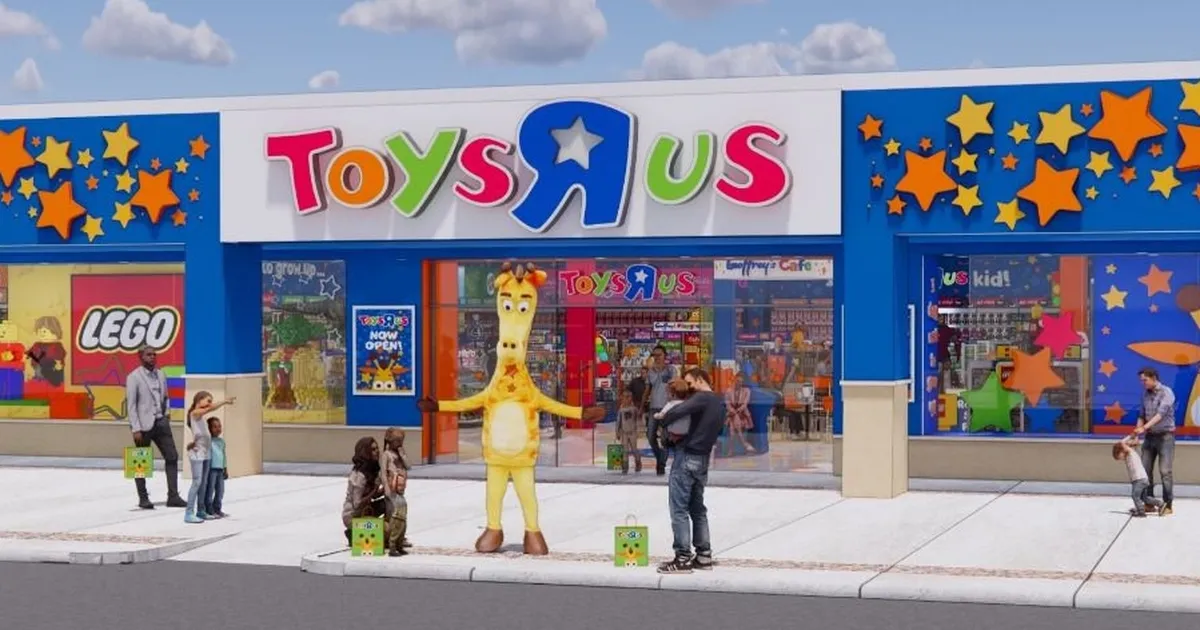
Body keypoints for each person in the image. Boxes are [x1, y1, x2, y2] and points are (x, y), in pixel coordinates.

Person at [653, 368, 725, 574]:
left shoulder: (701, 398)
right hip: (703, 458)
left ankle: (682, 557)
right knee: (697, 508)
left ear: (700, 379)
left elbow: (677, 412)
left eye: (690, 382)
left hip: (687, 456)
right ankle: (704, 555)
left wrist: (662, 420)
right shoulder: (719, 403)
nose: (688, 388)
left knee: (679, 509)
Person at [126, 346, 184, 510]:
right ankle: (143, 497)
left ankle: (173, 496)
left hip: (161, 421)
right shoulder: (134, 377)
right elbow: (131, 405)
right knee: (140, 461)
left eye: (154, 354)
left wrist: (167, 413)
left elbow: (166, 396)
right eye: (148, 355)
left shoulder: (161, 374)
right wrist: (135, 428)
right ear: (141, 357)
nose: (152, 357)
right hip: (143, 425)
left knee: (172, 456)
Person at [184, 391, 234, 523]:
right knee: (197, 482)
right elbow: (209, 409)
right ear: (199, 400)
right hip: (198, 454)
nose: (209, 404)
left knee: (204, 484)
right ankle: (189, 512)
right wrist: (224, 401)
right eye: (208, 400)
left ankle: (201, 510)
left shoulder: (201, 418)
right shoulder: (194, 413)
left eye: (211, 401)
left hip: (206, 454)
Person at [1134, 367, 1176, 516]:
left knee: (1165, 472)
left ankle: (1167, 505)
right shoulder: (1145, 394)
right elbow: (1141, 415)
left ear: (1154, 378)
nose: (1143, 383)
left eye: (1145, 380)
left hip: (1165, 437)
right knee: (1145, 471)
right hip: (1149, 437)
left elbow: (1160, 414)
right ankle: (1149, 503)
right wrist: (1137, 432)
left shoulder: (1167, 392)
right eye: (1141, 380)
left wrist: (1144, 427)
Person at [343, 437, 386, 546]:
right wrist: (375, 489)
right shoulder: (359, 476)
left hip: (365, 510)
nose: (377, 451)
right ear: (365, 453)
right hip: (353, 515)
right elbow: (357, 504)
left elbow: (373, 496)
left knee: (388, 503)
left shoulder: (372, 471)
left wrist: (385, 490)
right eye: (373, 449)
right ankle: (354, 531)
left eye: (377, 448)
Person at [644, 345, 677, 476]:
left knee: (665, 439)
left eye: (659, 355)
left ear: (665, 356)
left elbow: (675, 386)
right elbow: (647, 390)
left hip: (667, 408)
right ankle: (660, 458)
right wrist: (641, 406)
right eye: (654, 355)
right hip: (654, 408)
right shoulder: (650, 372)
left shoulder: (671, 370)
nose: (657, 357)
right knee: (650, 436)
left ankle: (661, 465)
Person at [1113, 435, 1163, 517]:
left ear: (1122, 450)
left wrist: (1131, 436)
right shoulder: (1129, 456)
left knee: (1135, 496)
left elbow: (1121, 443)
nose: (1120, 459)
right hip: (1142, 479)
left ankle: (1141, 512)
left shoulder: (1130, 452)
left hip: (1139, 479)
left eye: (1119, 456)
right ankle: (1160, 504)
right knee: (1144, 498)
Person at [381, 427, 413, 556]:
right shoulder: (386, 455)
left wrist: (402, 455)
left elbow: (408, 466)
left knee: (402, 516)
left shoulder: (399, 454)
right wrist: (386, 488)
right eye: (397, 441)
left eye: (401, 441)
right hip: (392, 490)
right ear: (390, 441)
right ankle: (392, 543)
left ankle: (399, 542)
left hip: (400, 489)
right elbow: (383, 473)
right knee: (395, 517)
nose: (400, 443)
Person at [204, 417, 229, 519]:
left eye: (219, 426)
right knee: (210, 490)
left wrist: (225, 468)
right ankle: (209, 509)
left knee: (220, 490)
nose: (218, 429)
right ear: (209, 429)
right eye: (214, 427)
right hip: (211, 469)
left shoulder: (221, 441)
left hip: (220, 469)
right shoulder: (208, 441)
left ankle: (217, 508)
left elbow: (224, 455)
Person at [724, 373, 755, 454]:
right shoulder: (728, 391)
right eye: (737, 381)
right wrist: (734, 412)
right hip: (732, 413)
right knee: (734, 421)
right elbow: (727, 404)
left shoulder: (747, 391)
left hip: (743, 414)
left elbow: (745, 404)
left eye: (741, 381)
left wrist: (737, 412)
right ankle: (745, 445)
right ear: (734, 380)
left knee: (732, 428)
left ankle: (731, 450)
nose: (739, 383)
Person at [615, 392, 642, 474]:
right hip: (624, 433)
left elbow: (638, 420)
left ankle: (638, 462)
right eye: (625, 397)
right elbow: (618, 421)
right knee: (625, 450)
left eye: (628, 397)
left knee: (634, 449)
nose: (627, 399)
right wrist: (617, 432)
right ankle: (625, 466)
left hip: (632, 432)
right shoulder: (621, 410)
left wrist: (638, 430)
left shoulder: (634, 409)